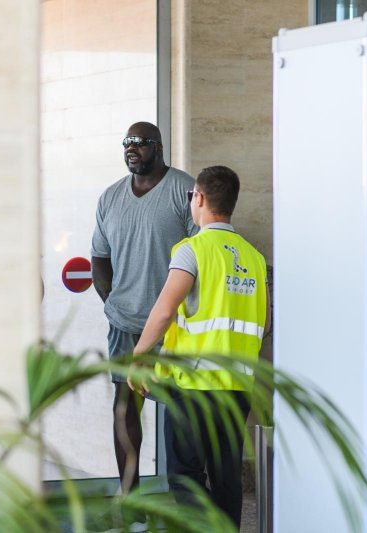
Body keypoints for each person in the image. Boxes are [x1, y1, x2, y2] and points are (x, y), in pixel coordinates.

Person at [128, 165, 270, 529]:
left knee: (184, 476)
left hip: (193, 387)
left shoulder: (193, 250)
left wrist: (138, 358)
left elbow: (163, 312)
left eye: (193, 196)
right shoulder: (253, 258)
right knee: (226, 480)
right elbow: (264, 323)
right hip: (237, 386)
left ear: (200, 198)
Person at [91, 121, 197, 496]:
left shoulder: (184, 190)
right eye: (126, 143)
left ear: (159, 146)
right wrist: (114, 303)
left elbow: (201, 257)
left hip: (173, 326)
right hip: (124, 324)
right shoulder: (110, 198)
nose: (131, 148)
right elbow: (99, 259)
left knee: (181, 415)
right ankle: (130, 499)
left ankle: (183, 499)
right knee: (125, 411)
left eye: (140, 142)